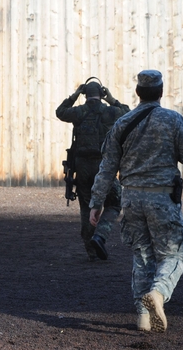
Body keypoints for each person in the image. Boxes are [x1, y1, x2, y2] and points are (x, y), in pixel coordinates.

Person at [89, 70, 183, 332]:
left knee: (142, 256)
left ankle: (142, 317)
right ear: (161, 92)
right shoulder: (173, 120)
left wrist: (97, 202)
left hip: (130, 199)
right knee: (173, 254)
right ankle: (159, 293)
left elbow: (107, 168)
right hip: (163, 198)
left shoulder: (122, 123)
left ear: (138, 92)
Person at [56, 80, 130, 261]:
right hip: (104, 166)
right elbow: (128, 113)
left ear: (85, 94)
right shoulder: (110, 111)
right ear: (101, 93)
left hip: (82, 167)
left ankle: (90, 247)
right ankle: (100, 235)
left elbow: (60, 112)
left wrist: (74, 95)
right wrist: (111, 99)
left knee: (86, 205)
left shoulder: (79, 112)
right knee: (113, 203)